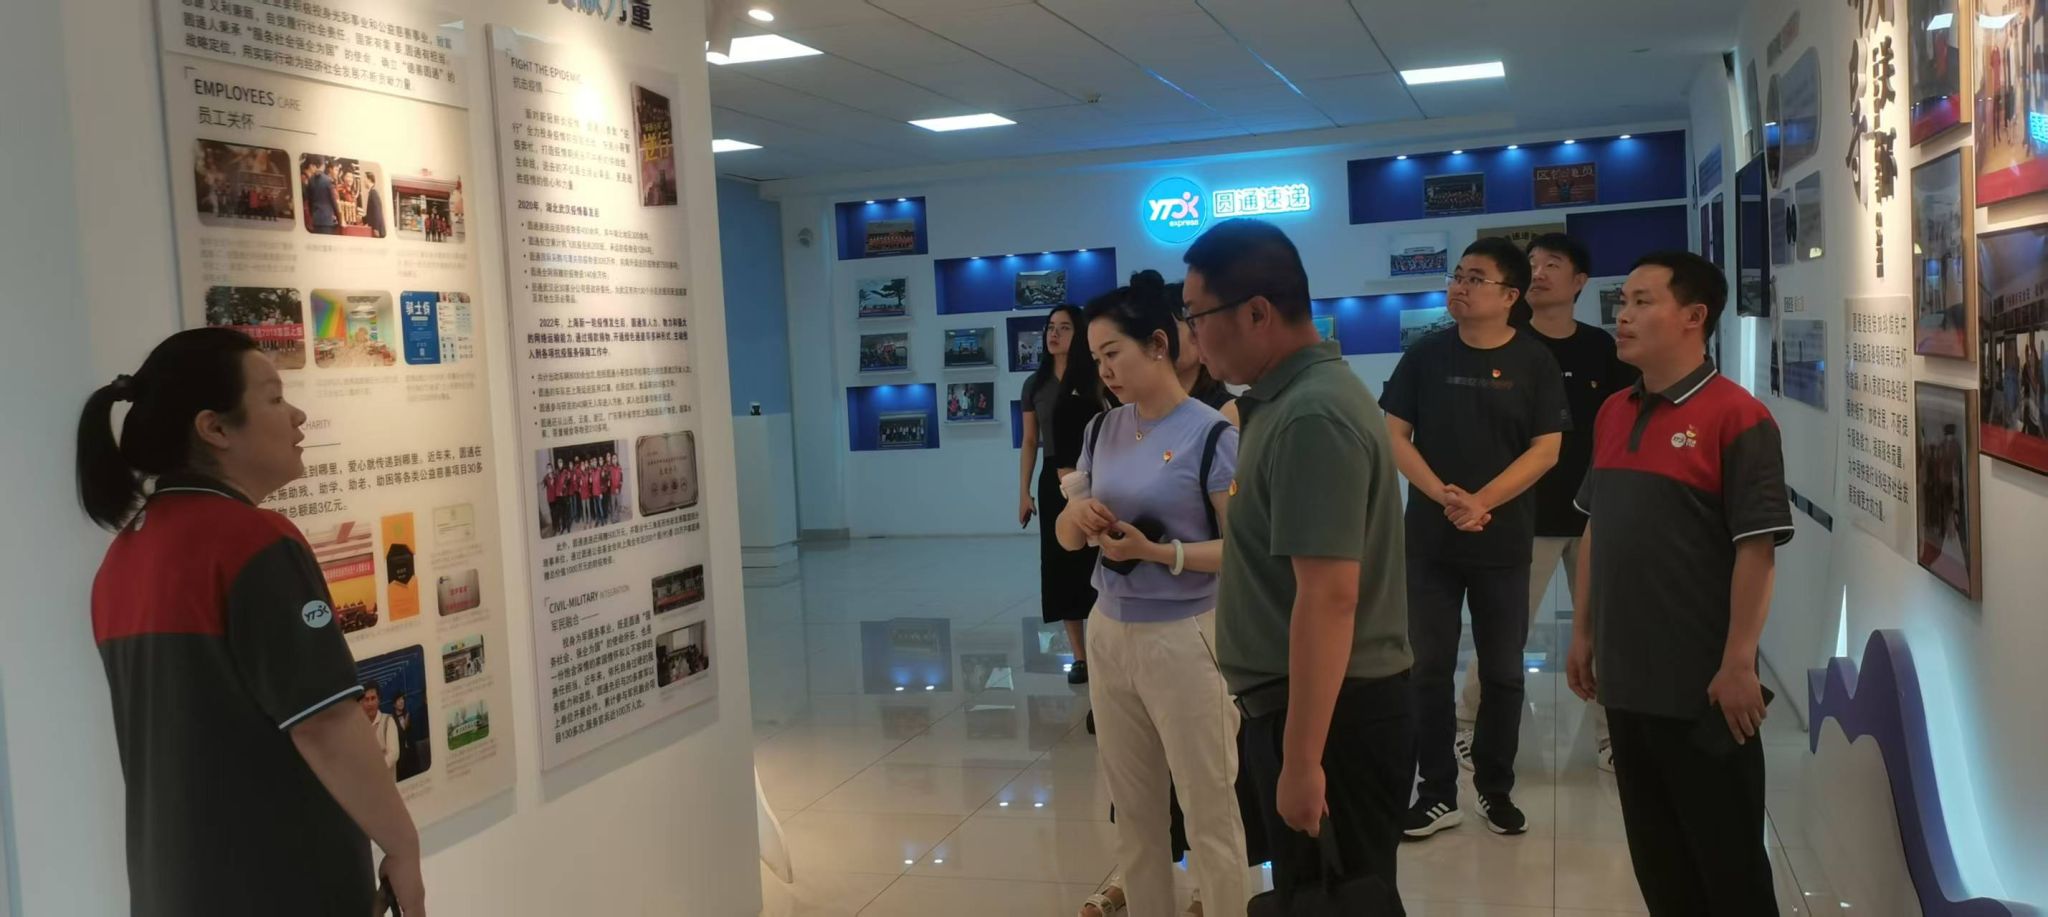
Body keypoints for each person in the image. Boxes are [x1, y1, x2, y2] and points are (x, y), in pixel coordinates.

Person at [78, 328, 426, 915]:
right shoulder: (252, 541)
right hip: (279, 884)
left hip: (173, 889)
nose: (297, 416)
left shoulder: (123, 557)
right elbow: (327, 724)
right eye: (274, 398)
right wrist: (404, 847)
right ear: (214, 428)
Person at [1181, 218, 1414, 905]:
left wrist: (1304, 758)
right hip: (1308, 707)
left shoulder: (1312, 415)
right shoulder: (1284, 403)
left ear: (1256, 313)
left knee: (1337, 898)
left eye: (1197, 316)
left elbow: (1330, 596)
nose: (1192, 337)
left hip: (1332, 716)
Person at [1568, 251, 1792, 915]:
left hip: (1703, 692)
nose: (1623, 315)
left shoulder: (1738, 417)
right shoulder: (1613, 411)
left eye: (1643, 301)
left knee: (1730, 875)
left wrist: (1739, 661)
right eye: (1623, 301)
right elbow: (1597, 526)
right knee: (1661, 870)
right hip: (1625, 687)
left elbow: (1757, 549)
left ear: (1694, 316)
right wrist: (1582, 631)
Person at [1058, 270, 1247, 917]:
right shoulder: (1102, 430)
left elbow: (1243, 550)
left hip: (1185, 637)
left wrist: (1157, 552)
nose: (1105, 370)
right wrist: (1076, 516)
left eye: (1113, 353)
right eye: (1096, 359)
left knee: (1209, 811)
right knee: (1136, 816)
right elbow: (1068, 537)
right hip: (1110, 633)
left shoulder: (1212, 433)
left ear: (1159, 344)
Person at [1382, 236, 1568, 839]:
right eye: (1457, 275)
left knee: (1504, 672)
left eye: (1475, 278)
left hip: (1502, 541)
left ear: (1510, 296)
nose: (1459, 286)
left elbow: (1546, 449)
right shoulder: (1425, 355)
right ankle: (1437, 793)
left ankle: (1495, 788)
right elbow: (1394, 435)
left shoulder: (1534, 362)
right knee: (1427, 671)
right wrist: (1445, 497)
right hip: (1430, 543)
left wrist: (1481, 502)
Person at [1455, 233, 1638, 774]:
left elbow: (1626, 424)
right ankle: (1469, 725)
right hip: (1522, 515)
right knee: (1503, 631)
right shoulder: (1505, 345)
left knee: (1605, 632)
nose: (1538, 272)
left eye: (1552, 264)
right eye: (1532, 263)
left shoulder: (1602, 350)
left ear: (1579, 281)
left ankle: (1612, 736)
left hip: (1594, 517)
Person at [1019, 304, 1107, 685]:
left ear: (1080, 332)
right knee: (1060, 563)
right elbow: (1029, 441)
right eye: (1050, 327)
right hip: (1053, 477)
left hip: (1097, 472)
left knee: (1097, 558)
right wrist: (1023, 492)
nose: (1054, 334)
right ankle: (1079, 656)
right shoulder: (1034, 385)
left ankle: (1105, 649)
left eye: (1064, 327)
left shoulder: (1094, 378)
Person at [362, 683, 401, 778]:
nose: (370, 703)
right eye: (366, 699)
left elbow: (394, 754)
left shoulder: (388, 721)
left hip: (386, 781)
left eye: (373, 698)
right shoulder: (359, 727)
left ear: (379, 700)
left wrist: (373, 771)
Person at [363, 172, 387, 239]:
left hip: (377, 230)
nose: (363, 181)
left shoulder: (373, 193)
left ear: (369, 179)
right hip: (375, 229)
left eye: (364, 178)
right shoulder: (372, 192)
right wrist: (362, 220)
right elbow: (371, 214)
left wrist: (376, 228)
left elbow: (377, 211)